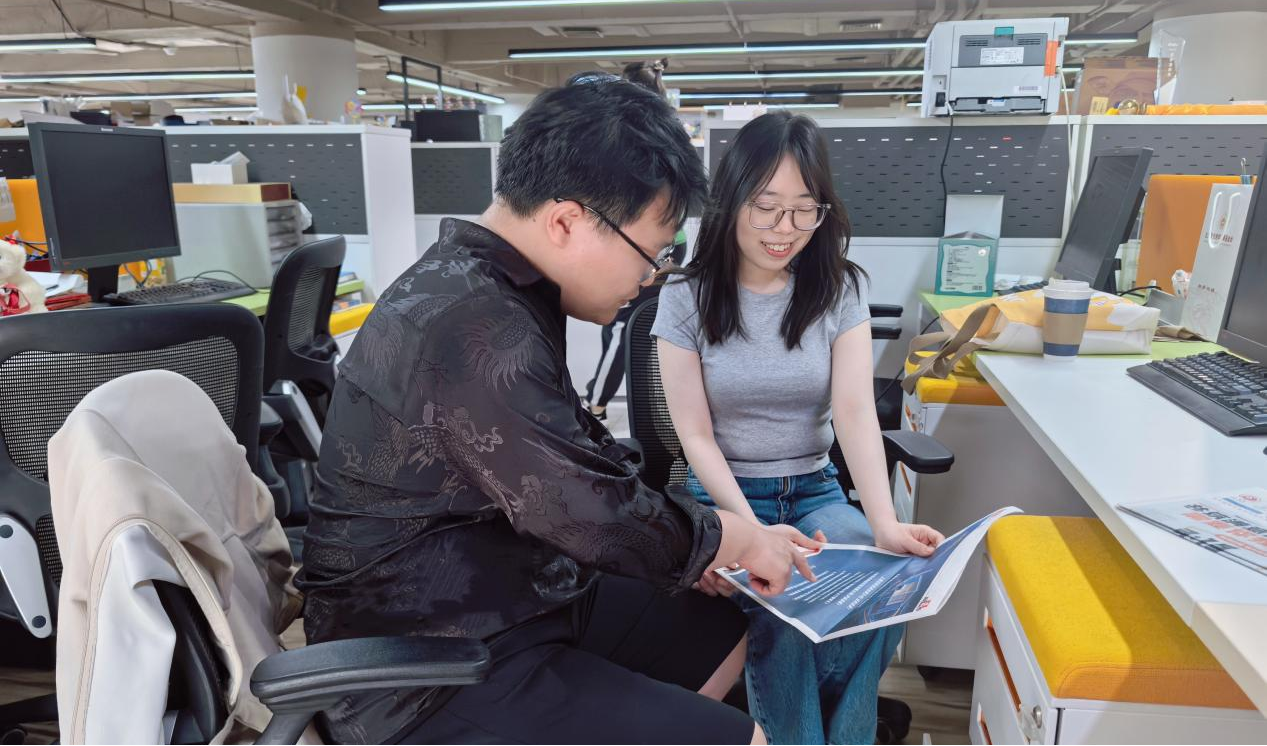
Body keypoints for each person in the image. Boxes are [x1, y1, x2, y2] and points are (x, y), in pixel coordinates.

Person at [298, 74, 822, 745]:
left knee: (715, 628)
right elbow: (585, 512)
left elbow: (581, 453)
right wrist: (730, 539)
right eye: (650, 253)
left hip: (510, 593)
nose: (649, 277)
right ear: (567, 221)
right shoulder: (472, 325)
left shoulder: (490, 287)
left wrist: (704, 547)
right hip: (423, 665)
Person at [653, 111, 946, 745]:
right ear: (732, 202)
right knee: (784, 607)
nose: (784, 229)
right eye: (766, 208)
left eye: (803, 210)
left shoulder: (839, 288)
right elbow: (695, 436)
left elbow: (855, 411)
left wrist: (884, 522)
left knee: (884, 590)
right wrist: (751, 534)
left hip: (813, 491)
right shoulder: (684, 297)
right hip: (726, 496)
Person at [583, 57, 688, 420]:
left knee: (622, 326)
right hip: (660, 244)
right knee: (627, 325)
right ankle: (602, 401)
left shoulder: (636, 140)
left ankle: (596, 405)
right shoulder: (665, 134)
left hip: (648, 246)